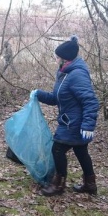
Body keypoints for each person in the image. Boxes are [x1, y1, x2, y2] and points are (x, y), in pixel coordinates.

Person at [33, 35, 99, 197]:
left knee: (57, 149)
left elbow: (90, 101)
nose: (55, 59)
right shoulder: (65, 74)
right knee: (81, 151)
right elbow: (57, 98)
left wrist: (88, 125)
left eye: (57, 57)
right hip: (71, 121)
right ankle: (90, 184)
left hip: (74, 124)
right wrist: (38, 94)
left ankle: (58, 185)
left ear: (64, 59)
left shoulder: (76, 75)